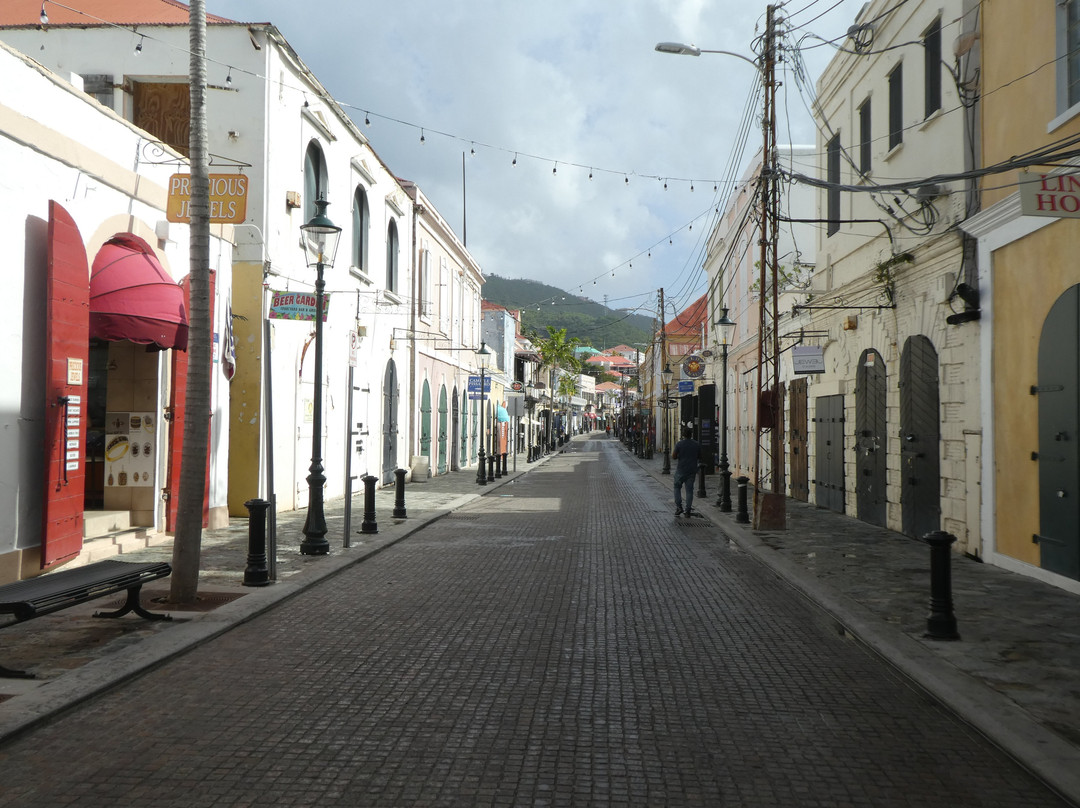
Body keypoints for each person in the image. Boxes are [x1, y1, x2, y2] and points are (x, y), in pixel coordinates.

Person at [672, 426, 701, 517]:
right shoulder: (696, 444)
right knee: (689, 491)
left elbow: (674, 456)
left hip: (681, 469)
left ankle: (679, 506)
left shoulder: (679, 444)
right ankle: (688, 509)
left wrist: (680, 456)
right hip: (691, 470)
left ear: (683, 434)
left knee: (677, 487)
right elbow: (700, 456)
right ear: (691, 434)